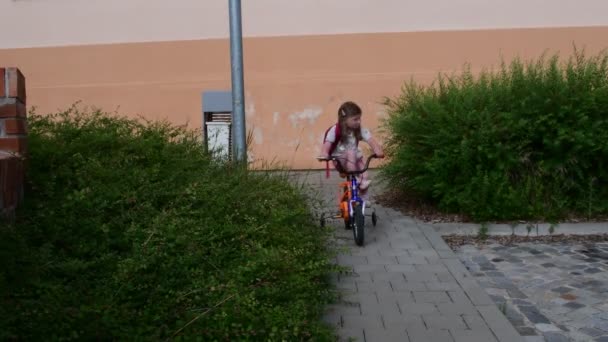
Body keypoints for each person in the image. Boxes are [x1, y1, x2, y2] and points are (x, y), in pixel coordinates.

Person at [318, 101, 384, 195]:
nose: (359, 121)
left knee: (364, 176)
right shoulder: (335, 130)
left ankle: (362, 198)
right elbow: (327, 144)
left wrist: (378, 150)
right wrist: (324, 154)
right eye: (355, 119)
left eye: (359, 118)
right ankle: (355, 179)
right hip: (340, 160)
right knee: (351, 152)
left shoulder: (359, 129)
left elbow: (370, 140)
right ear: (344, 120)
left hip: (354, 159)